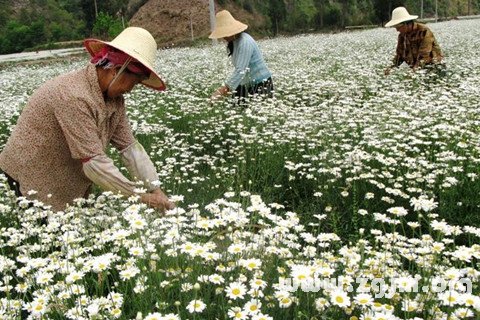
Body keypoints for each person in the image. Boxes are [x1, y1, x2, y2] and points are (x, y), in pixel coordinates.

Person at [0, 27, 175, 212]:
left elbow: (129, 147)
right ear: (116, 71)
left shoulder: (114, 100)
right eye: (135, 81)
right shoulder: (74, 96)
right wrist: (140, 197)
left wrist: (156, 190)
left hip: (64, 176)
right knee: (46, 232)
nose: (132, 89)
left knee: (70, 229)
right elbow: (94, 163)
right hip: (32, 174)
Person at [209, 10, 273, 104]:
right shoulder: (234, 42)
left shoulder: (245, 42)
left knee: (254, 114)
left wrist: (220, 92)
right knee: (235, 110)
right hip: (246, 83)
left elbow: (240, 70)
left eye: (225, 33)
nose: (224, 37)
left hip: (261, 85)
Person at [384, 7, 443, 75]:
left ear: (406, 24)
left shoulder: (424, 31)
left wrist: (414, 71)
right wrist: (391, 68)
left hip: (433, 68)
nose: (397, 30)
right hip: (416, 69)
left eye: (398, 27)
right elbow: (399, 56)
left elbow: (424, 56)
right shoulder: (402, 36)